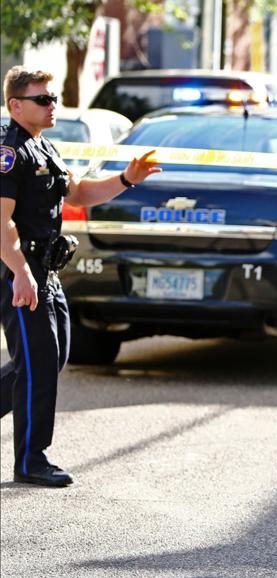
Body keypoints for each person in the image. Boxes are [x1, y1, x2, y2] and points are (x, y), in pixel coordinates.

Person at [1, 67, 160, 487]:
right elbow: (0, 223)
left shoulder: (45, 147)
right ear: (16, 105)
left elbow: (79, 192)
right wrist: (19, 272)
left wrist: (126, 179)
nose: (52, 105)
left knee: (50, 358)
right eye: (43, 99)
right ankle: (32, 461)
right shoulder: (11, 152)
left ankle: (33, 453)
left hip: (45, 271)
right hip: (19, 270)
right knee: (37, 364)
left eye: (53, 98)